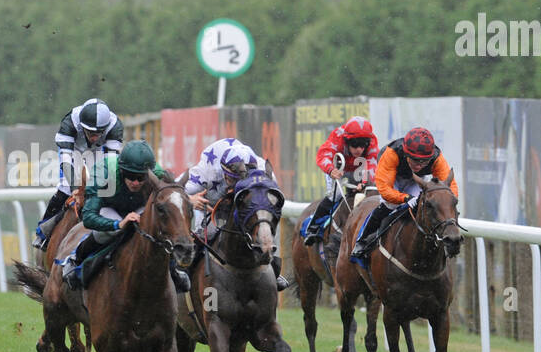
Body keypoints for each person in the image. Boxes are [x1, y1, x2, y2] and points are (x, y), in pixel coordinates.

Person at [60, 140, 190, 293]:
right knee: (112, 231)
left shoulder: (157, 172)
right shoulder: (104, 171)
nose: (135, 182)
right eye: (130, 176)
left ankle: (173, 270)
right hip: (109, 207)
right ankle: (76, 259)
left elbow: (173, 196)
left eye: (141, 178)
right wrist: (119, 224)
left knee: (159, 226)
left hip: (138, 208)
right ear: (121, 170)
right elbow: (88, 217)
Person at [185, 137, 289, 290]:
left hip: (245, 205)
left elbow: (273, 206)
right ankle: (188, 272)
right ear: (223, 172)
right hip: (212, 205)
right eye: (231, 179)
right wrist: (190, 200)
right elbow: (175, 195)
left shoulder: (263, 172)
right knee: (205, 234)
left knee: (266, 224)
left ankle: (273, 269)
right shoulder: (205, 171)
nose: (234, 185)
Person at [350, 126, 458, 266]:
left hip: (415, 179)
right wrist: (405, 198)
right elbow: (385, 190)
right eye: (415, 160)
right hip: (392, 177)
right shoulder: (391, 154)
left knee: (423, 207)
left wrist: (448, 202)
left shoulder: (436, 157)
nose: (419, 165)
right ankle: (362, 241)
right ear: (406, 154)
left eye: (424, 161)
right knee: (390, 205)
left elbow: (450, 189)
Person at [34, 97, 123, 249]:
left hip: (99, 152)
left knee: (106, 187)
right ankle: (43, 233)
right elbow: (66, 161)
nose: (95, 137)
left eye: (99, 133)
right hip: (73, 149)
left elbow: (111, 165)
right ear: (82, 127)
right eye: (90, 133)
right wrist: (76, 188)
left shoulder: (114, 127)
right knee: (65, 188)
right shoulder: (70, 122)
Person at [303, 116, 379, 245]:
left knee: (370, 192)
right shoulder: (337, 136)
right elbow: (323, 155)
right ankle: (313, 227)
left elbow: (372, 165)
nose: (359, 149)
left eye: (363, 145)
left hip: (358, 168)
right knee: (336, 195)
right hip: (337, 167)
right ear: (346, 140)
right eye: (355, 144)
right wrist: (331, 170)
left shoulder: (372, 141)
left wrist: (364, 182)